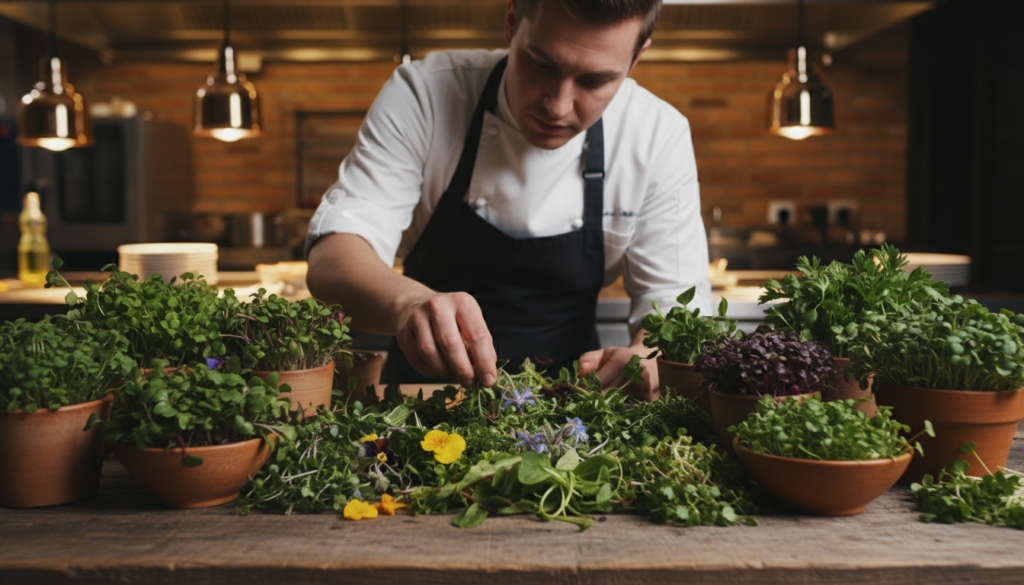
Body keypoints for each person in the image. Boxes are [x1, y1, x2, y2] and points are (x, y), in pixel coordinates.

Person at [306, 0, 711, 399]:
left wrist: (647, 358)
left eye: (594, 81)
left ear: (637, 57)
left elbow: (676, 307)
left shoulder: (657, 133)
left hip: (573, 415)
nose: (557, 105)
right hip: (420, 403)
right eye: (541, 64)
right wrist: (409, 303)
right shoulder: (425, 92)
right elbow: (332, 258)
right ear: (512, 22)